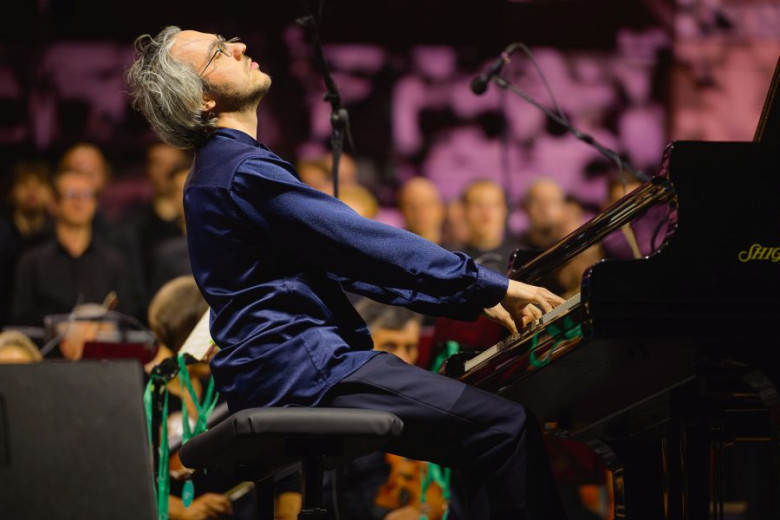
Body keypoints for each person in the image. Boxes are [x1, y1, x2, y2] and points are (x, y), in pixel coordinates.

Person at [127, 26, 566, 519]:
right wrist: (491, 284)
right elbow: (362, 243)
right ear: (203, 100)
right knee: (506, 429)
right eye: (218, 52)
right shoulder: (239, 171)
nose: (240, 46)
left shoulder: (218, 171)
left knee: (480, 440)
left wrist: (474, 299)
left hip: (284, 372)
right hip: (305, 371)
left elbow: (349, 264)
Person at [11, 169, 134, 333]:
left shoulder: (114, 263)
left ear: (95, 203)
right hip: (47, 357)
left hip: (102, 356)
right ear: (54, 203)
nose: (79, 202)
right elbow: (21, 325)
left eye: (86, 195)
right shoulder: (32, 263)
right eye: (71, 195)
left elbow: (127, 323)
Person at [0, 160, 55, 325]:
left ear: (51, 194)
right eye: (24, 184)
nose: (32, 191)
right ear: (10, 192)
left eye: (39, 184)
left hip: (41, 327)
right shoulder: (2, 235)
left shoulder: (57, 238)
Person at [458, 179, 516, 275]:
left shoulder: (520, 259)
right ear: (464, 211)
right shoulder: (454, 261)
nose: (486, 211)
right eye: (478, 204)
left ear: (504, 210)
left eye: (493, 204)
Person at [517, 178, 567, 252]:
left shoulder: (574, 249)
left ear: (563, 208)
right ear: (525, 208)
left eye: (552, 201)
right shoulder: (514, 251)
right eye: (538, 201)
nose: (545, 207)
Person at [397, 177, 445, 246]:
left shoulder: (458, 254)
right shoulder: (393, 253)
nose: (420, 212)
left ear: (440, 207)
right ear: (401, 210)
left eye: (426, 204)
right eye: (412, 206)